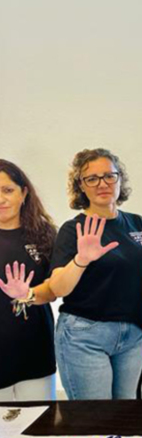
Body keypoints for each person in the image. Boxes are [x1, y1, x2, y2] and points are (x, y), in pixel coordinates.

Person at [47, 148, 142, 399]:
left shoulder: (138, 223)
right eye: (92, 178)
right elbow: (58, 288)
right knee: (94, 417)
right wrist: (81, 260)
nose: (102, 184)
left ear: (120, 179)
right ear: (81, 185)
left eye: (109, 176)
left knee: (123, 414)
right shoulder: (72, 230)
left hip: (134, 336)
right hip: (85, 336)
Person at [0, 160, 58, 401]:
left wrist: (28, 294)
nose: (1, 199)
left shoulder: (45, 234)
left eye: (7, 190)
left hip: (35, 349)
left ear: (24, 193)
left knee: (40, 420)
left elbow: (55, 289)